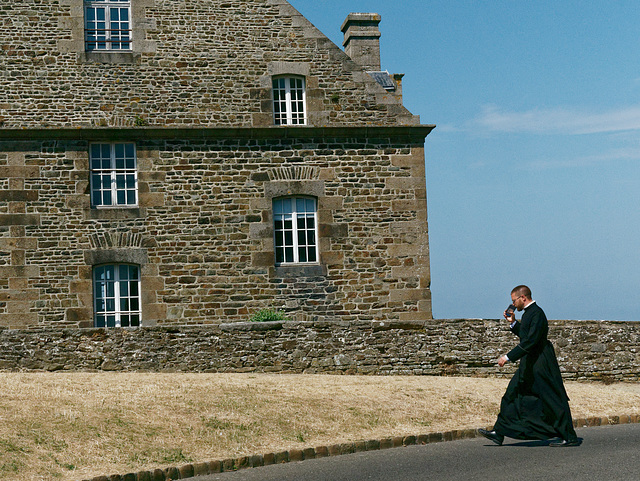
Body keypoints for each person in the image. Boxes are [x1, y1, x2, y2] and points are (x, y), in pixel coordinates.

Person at [478, 285, 580, 447]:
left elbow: (531, 341)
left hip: (541, 363)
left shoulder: (537, 313)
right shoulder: (528, 314)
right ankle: (499, 431)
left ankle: (569, 436)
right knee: (512, 394)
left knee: (552, 398)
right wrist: (513, 324)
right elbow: (526, 336)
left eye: (514, 301)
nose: (513, 304)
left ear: (523, 298)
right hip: (530, 362)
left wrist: (508, 357)